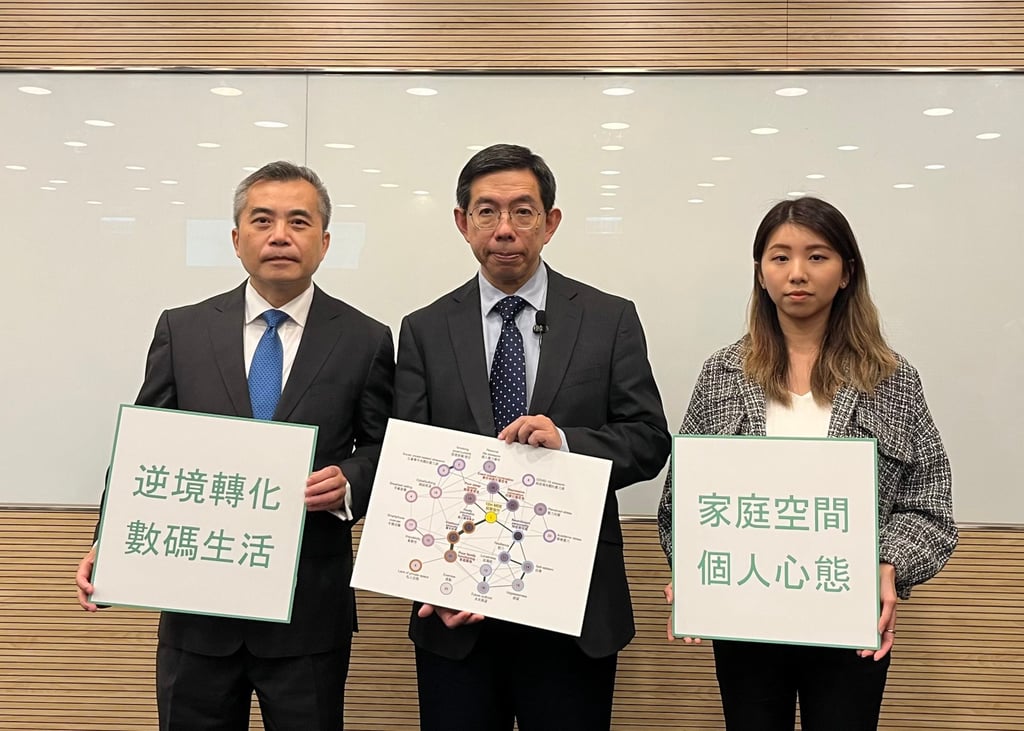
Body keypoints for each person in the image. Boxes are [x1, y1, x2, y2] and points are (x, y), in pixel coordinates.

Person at [75, 161, 395, 731]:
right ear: (235, 239)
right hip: (197, 612)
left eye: (299, 222)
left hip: (307, 613)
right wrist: (112, 539)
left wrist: (351, 480)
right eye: (262, 220)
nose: (279, 235)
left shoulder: (366, 339)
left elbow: (383, 446)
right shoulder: (183, 329)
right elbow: (144, 445)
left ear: (324, 243)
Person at [394, 143, 670, 731]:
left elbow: (649, 439)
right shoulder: (422, 330)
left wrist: (568, 444)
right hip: (457, 607)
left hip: (573, 611)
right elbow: (409, 467)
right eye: (486, 211)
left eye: (523, 211)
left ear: (551, 222)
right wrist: (434, 579)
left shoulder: (609, 318)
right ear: (462, 223)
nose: (504, 228)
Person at [657, 196, 957, 731]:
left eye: (817, 257)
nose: (797, 273)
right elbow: (681, 502)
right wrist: (694, 568)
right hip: (746, 617)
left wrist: (887, 565)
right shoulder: (724, 372)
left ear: (846, 273)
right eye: (780, 258)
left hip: (847, 614)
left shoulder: (890, 378)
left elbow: (929, 507)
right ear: (761, 274)